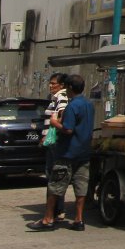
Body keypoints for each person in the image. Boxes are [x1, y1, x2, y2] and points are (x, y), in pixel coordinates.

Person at [28, 74, 94, 231]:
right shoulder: (89, 104)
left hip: (67, 153)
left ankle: (48, 219)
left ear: (69, 88)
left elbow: (68, 129)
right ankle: (79, 219)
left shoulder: (72, 106)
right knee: (81, 187)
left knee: (55, 186)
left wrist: (54, 122)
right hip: (84, 153)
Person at [43, 73, 69, 222]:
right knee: (53, 175)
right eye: (50, 83)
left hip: (55, 142)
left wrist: (54, 125)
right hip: (51, 141)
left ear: (62, 85)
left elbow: (61, 115)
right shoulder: (56, 97)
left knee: (54, 176)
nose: (51, 86)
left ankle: (56, 210)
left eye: (54, 83)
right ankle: (55, 209)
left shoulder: (61, 97)